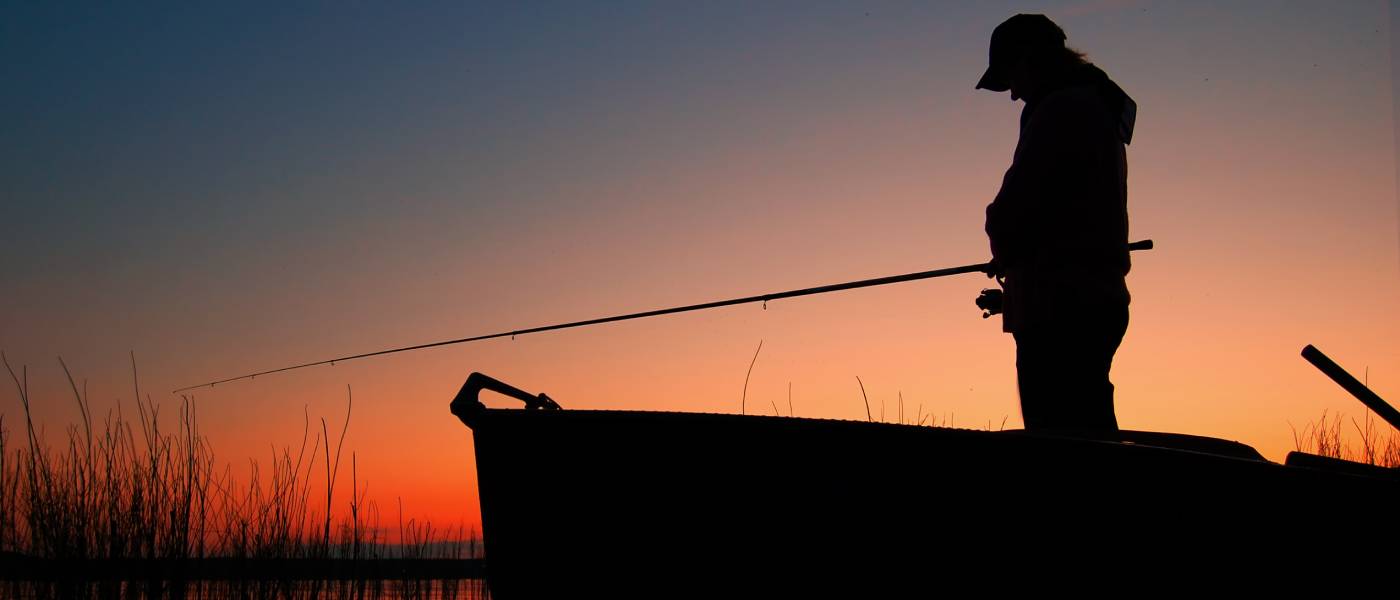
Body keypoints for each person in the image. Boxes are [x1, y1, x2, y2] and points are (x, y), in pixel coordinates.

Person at [975, 14, 1136, 432]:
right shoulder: (1096, 107)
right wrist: (1014, 289)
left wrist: (1007, 251)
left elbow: (1013, 213)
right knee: (1090, 428)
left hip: (1058, 310)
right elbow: (1068, 219)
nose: (1012, 95)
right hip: (1095, 301)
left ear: (1029, 61)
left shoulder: (1060, 109)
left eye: (1010, 78)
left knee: (1058, 446)